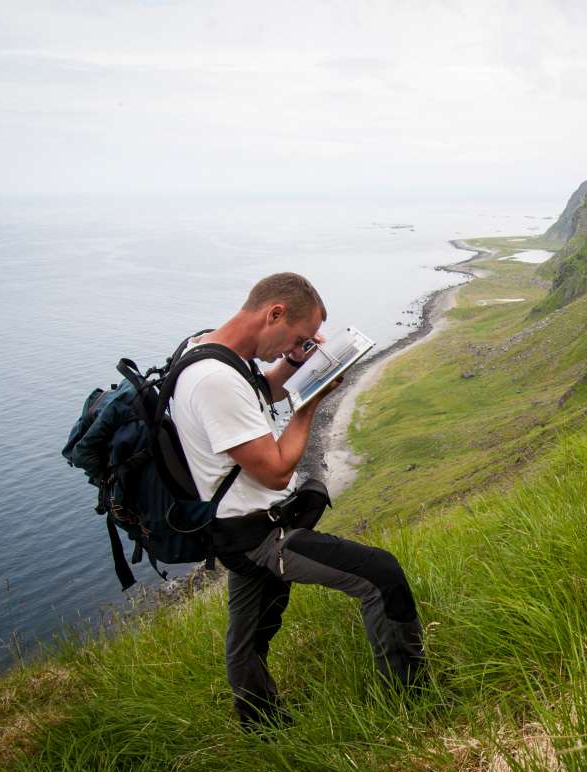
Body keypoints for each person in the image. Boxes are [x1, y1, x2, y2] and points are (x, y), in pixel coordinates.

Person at [170, 272, 424, 729]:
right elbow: (275, 471)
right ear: (275, 314)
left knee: (248, 639)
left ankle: (261, 728)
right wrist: (310, 404)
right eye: (300, 336)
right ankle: (412, 706)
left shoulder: (206, 349)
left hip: (232, 531)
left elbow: (259, 393)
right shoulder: (214, 381)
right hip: (261, 535)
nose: (299, 344)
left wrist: (293, 364)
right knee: (380, 575)